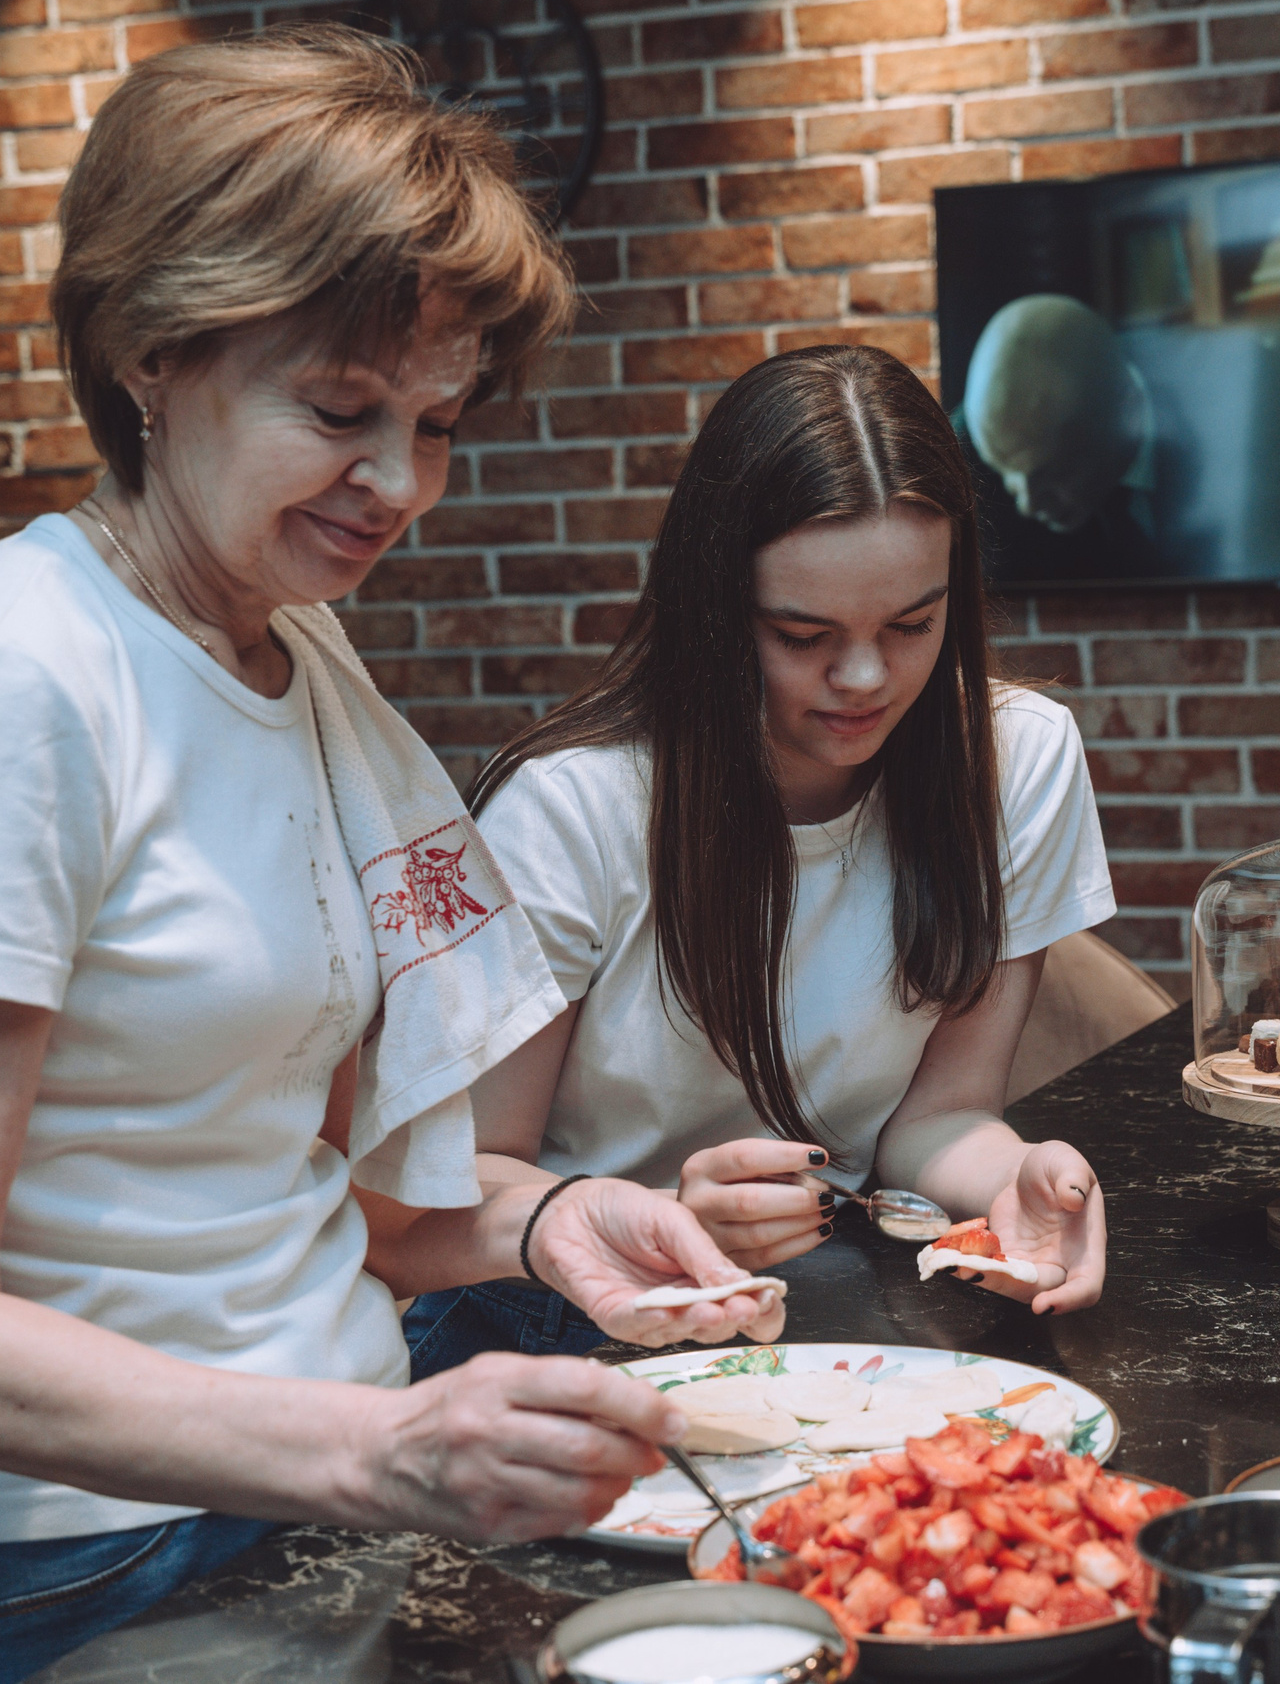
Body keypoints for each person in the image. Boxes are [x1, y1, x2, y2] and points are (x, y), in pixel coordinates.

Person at [0, 28, 778, 1684]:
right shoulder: (4, 684)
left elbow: (310, 1182)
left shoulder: (298, 657)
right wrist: (363, 1450)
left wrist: (554, 1223)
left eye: (438, 423)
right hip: (59, 1569)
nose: (400, 484)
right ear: (152, 351)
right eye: (340, 409)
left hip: (311, 1496)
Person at [401, 344, 1120, 1378]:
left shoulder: (1017, 760)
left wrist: (1011, 1180)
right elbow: (460, 1176)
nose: (864, 677)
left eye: (912, 624)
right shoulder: (575, 806)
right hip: (549, 1319)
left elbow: (942, 1115)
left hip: (823, 1291)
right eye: (801, 633)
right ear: (714, 610)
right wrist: (655, 1217)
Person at [954, 293, 1280, 585]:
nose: (1026, 503)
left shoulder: (1259, 398)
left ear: (1122, 412)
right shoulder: (971, 443)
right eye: (1004, 473)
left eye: (1050, 473)